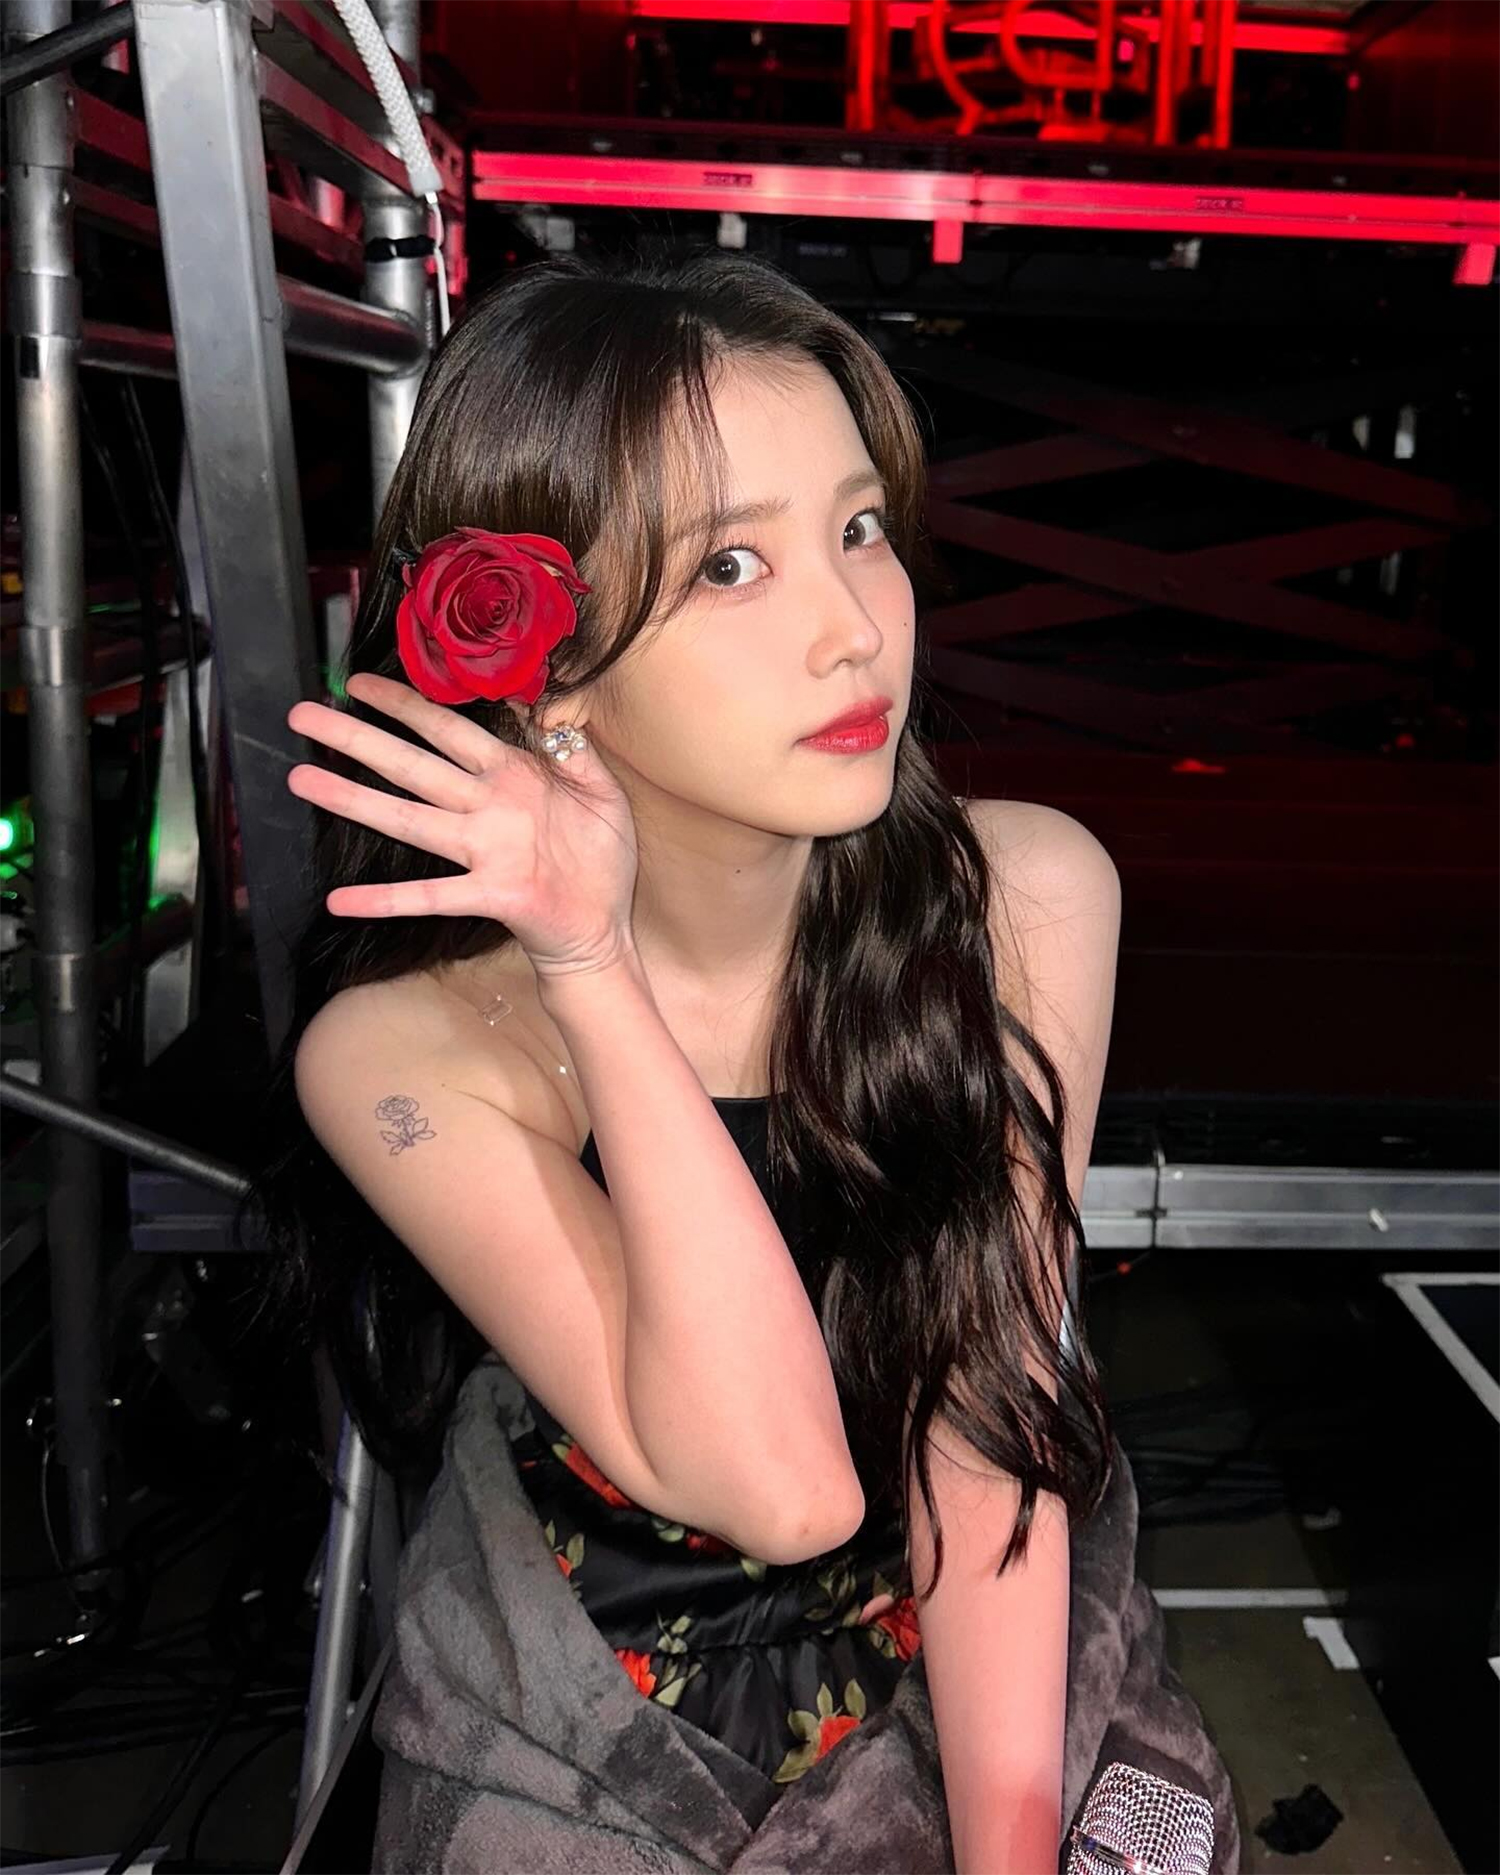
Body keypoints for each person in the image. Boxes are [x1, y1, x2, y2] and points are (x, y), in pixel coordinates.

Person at [238, 247, 1240, 1873]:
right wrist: (590, 965)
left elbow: (985, 1419)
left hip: (969, 1620)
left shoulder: (1025, 897)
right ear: (549, 670)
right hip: (589, 1700)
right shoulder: (405, 1052)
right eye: (729, 566)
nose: (854, 632)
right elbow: (780, 1490)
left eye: (861, 529)